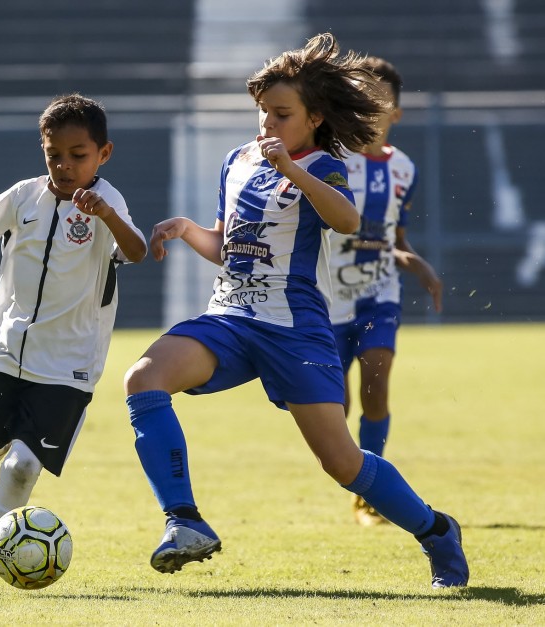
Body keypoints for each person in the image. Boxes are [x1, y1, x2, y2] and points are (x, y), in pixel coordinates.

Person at [122, 34, 468, 588]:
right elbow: (229, 247)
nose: (268, 125)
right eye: (263, 113)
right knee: (144, 377)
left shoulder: (324, 165)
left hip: (293, 327)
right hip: (231, 318)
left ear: (315, 117)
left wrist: (293, 171)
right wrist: (188, 230)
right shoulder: (237, 160)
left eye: (282, 114)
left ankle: (435, 531)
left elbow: (346, 221)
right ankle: (184, 521)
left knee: (342, 464)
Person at [0, 93, 147, 592]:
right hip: (5, 351)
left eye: (77, 155)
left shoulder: (109, 202)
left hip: (67, 367)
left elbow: (138, 252)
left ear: (104, 154)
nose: (64, 165)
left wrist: (106, 215)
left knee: (22, 469)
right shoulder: (24, 196)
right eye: (53, 154)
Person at [328, 57, 445, 526]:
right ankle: (354, 473)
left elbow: (393, 234)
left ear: (395, 113)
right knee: (335, 405)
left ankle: (371, 495)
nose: (367, 109)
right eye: (359, 99)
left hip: (379, 293)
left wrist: (412, 259)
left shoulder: (404, 169)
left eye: (378, 102)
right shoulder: (330, 159)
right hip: (323, 298)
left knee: (376, 385)